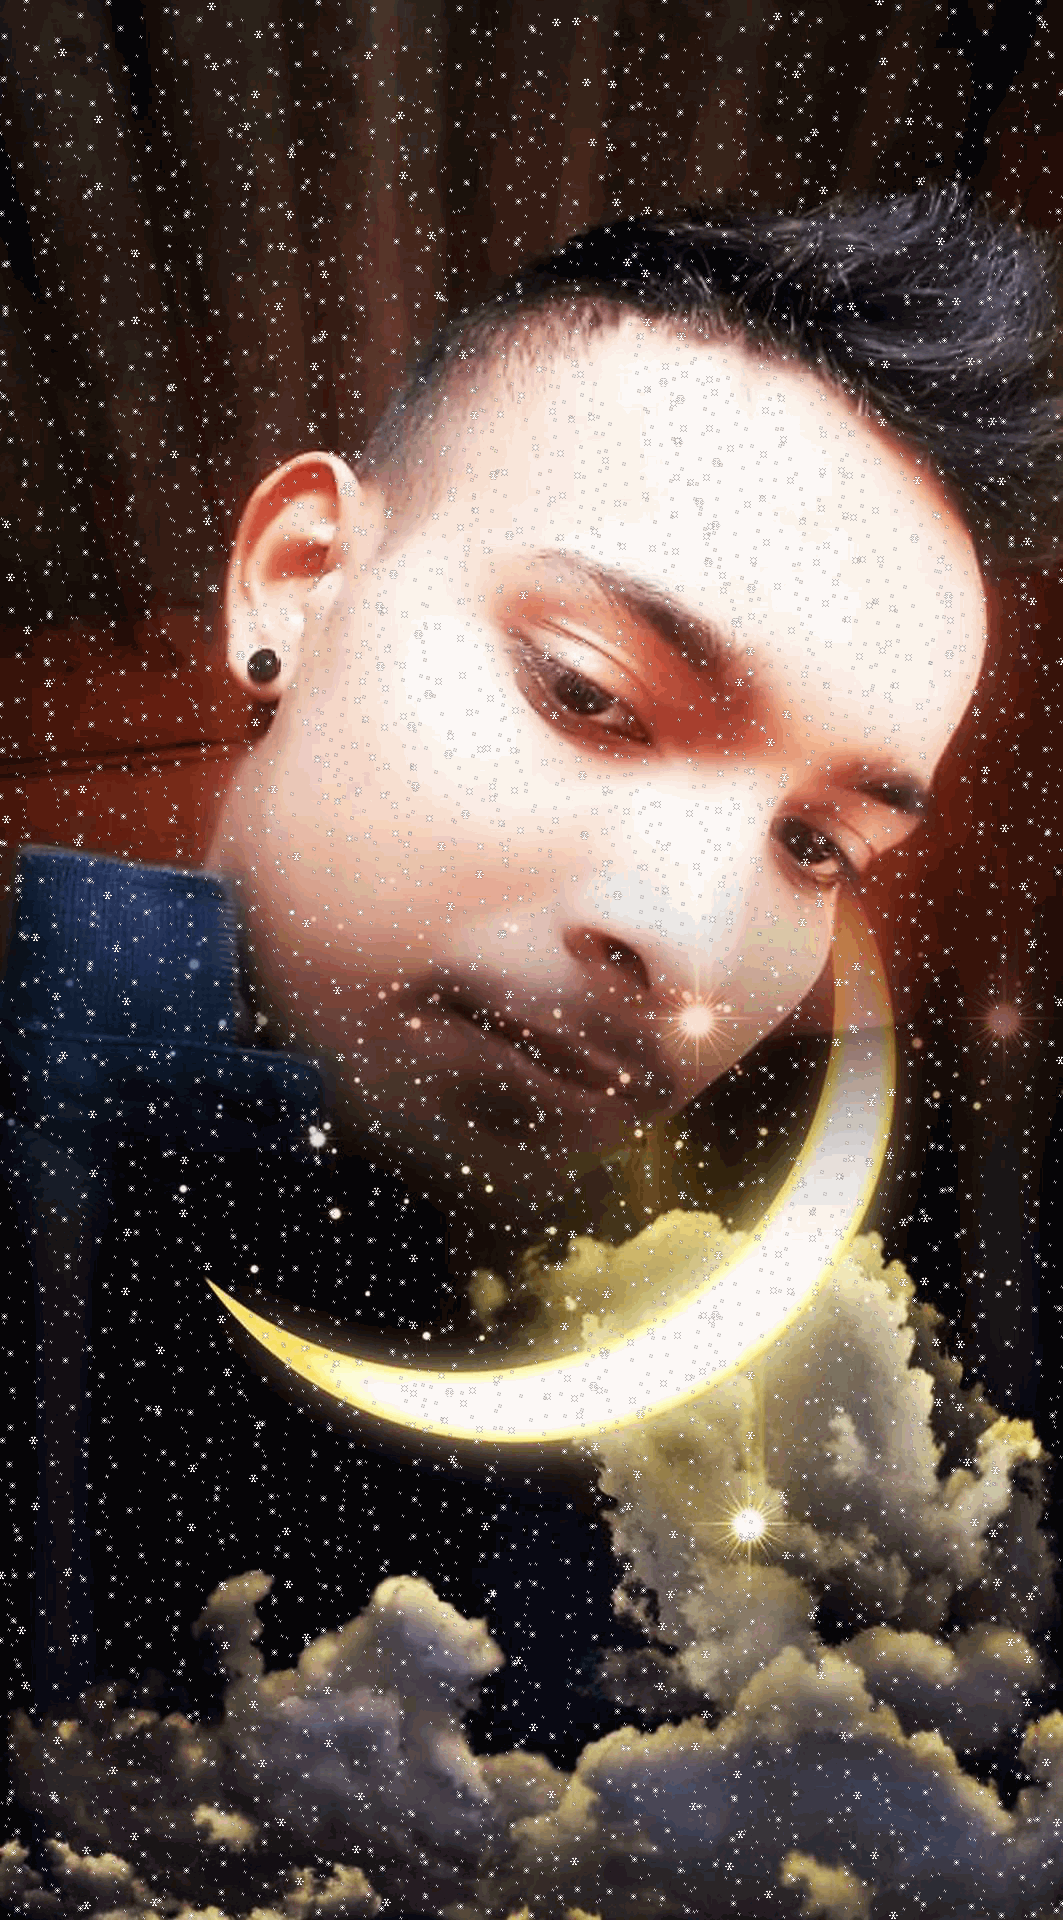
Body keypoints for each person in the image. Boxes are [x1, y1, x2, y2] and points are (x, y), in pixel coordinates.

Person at [1, 187, 1059, 1780]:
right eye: (588, 694)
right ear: (296, 577)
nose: (688, 951)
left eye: (813, 846)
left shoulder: (709, 1497)